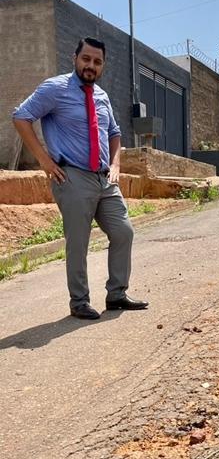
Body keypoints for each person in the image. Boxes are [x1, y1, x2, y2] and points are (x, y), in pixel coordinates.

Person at [12, 37, 148, 320]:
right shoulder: (55, 88)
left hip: (103, 179)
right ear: (75, 58)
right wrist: (43, 159)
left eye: (97, 62)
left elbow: (114, 133)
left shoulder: (102, 96)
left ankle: (117, 294)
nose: (91, 66)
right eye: (86, 59)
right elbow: (21, 117)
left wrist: (116, 164)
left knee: (124, 232)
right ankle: (79, 301)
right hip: (72, 176)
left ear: (102, 66)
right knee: (79, 241)